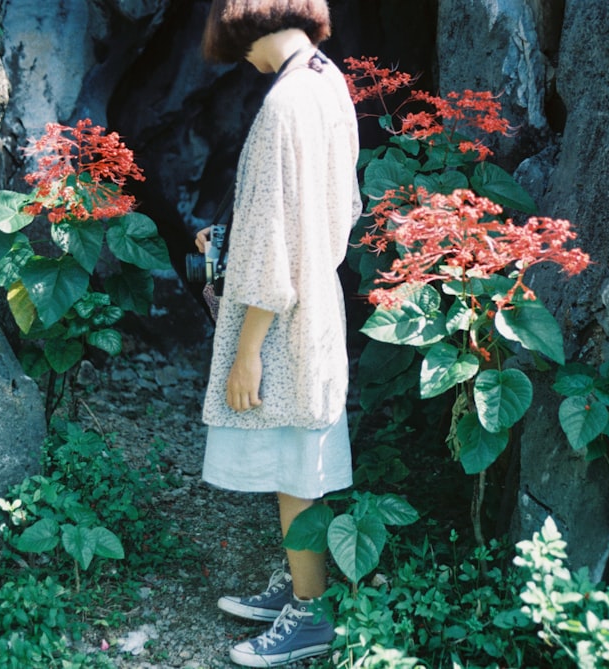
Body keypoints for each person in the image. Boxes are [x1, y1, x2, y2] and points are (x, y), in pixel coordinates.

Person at [196, 1, 359, 665]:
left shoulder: (282, 104)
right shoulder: (329, 81)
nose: (243, 62)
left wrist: (245, 351)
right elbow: (339, 205)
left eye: (238, 49)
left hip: (282, 321)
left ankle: (310, 612)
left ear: (249, 32)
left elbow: (268, 245)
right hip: (319, 297)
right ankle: (299, 584)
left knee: (296, 468)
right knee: (302, 461)